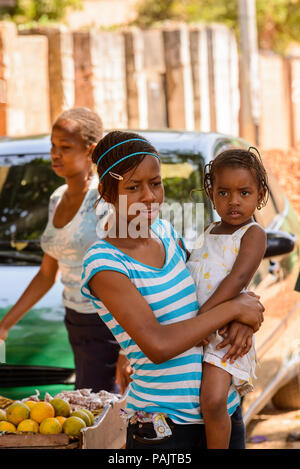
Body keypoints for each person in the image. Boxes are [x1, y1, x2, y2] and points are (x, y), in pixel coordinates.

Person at [80, 130, 264, 449]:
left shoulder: (165, 232)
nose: (150, 197)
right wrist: (234, 310)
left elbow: (211, 289)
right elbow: (158, 345)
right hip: (163, 430)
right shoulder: (104, 263)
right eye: (133, 187)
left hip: (223, 414)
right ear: (107, 192)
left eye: (155, 183)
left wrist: (242, 319)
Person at [0, 107, 120, 393]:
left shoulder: (105, 202)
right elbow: (46, 274)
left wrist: (129, 346)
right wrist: (5, 325)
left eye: (65, 147)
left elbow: (128, 272)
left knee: (100, 413)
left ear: (91, 151)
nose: (55, 154)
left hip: (107, 324)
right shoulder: (56, 199)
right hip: (75, 321)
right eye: (53, 146)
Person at [186, 148, 269, 449]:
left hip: (222, 333)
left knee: (212, 400)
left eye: (244, 192)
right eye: (224, 192)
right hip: (200, 327)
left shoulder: (252, 234)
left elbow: (236, 280)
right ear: (211, 193)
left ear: (259, 195)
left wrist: (203, 320)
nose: (233, 201)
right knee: (198, 401)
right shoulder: (206, 231)